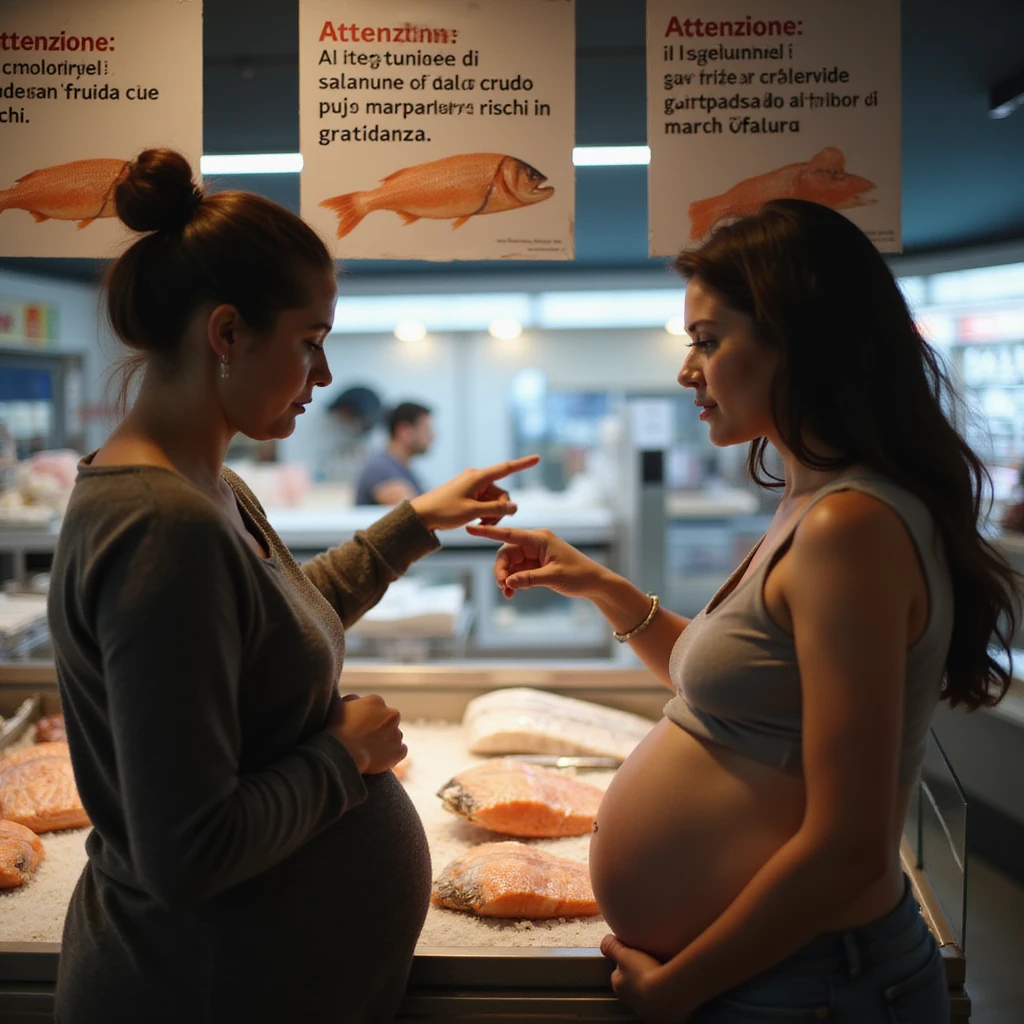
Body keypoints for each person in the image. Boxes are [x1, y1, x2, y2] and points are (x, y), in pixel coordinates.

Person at [466, 199, 1019, 1023]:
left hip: (807, 981)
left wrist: (679, 989)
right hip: (781, 972)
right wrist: (602, 586)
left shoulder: (850, 525)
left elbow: (850, 844)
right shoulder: (816, 500)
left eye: (707, 340)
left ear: (801, 341)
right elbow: (746, 694)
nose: (687, 371)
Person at [45, 148, 538, 1024]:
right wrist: (345, 757)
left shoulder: (209, 487)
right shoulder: (162, 522)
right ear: (227, 333)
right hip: (200, 988)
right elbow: (188, 853)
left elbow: (274, 626)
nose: (326, 375)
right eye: (310, 342)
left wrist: (415, 522)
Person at [354, 401, 433, 505]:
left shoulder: (404, 470)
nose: (433, 437)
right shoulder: (379, 467)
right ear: (405, 431)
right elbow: (412, 510)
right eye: (426, 430)